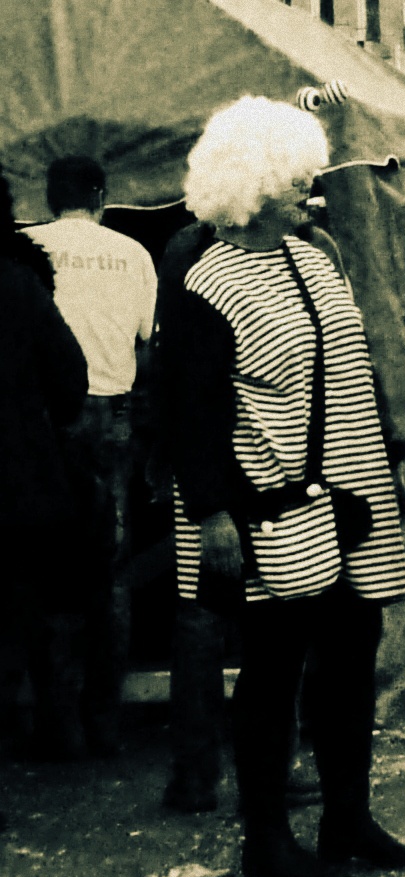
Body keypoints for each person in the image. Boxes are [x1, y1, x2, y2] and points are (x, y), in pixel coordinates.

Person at [153, 95, 405, 877]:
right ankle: (266, 839)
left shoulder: (315, 258)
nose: (309, 192)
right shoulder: (205, 280)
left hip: (351, 499)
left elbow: (352, 372)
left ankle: (347, 819)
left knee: (350, 665)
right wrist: (212, 512)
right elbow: (190, 408)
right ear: (250, 185)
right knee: (272, 677)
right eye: (294, 181)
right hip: (268, 509)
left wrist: (386, 468)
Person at [24, 156, 157, 754]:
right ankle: (104, 720)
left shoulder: (26, 249)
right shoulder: (133, 253)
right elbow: (149, 342)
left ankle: (57, 724)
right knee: (112, 571)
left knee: (46, 567)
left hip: (43, 421)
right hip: (111, 415)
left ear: (49, 198)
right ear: (101, 196)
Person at [0, 165, 89, 765]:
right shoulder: (18, 282)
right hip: (19, 480)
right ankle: (54, 729)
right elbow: (69, 378)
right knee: (30, 608)